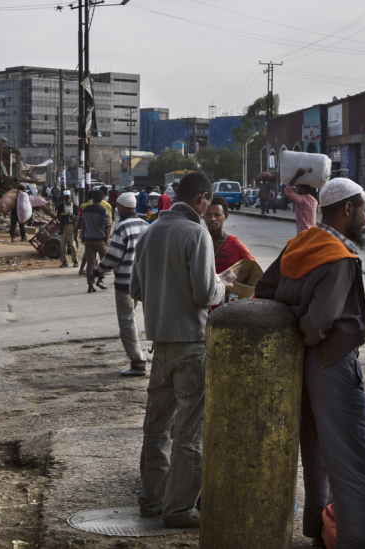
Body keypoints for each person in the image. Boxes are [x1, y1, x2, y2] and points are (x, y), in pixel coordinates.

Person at [255, 178, 365, 548]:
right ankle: (358, 542)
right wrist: (307, 333)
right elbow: (318, 322)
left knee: (317, 451)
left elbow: (264, 292)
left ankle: (318, 531)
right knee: (359, 461)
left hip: (302, 363)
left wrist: (296, 335)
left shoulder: (300, 243)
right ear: (347, 209)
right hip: (333, 362)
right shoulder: (339, 257)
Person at [130, 172, 228, 528]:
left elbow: (136, 289)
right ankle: (178, 510)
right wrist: (223, 284)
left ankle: (153, 501)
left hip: (161, 343)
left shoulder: (150, 231)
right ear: (203, 198)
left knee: (157, 426)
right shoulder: (196, 232)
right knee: (189, 431)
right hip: (192, 343)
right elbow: (205, 294)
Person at [91, 192, 149, 375]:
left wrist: (99, 270)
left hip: (125, 282)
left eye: (118, 207)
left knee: (127, 321)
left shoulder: (122, 227)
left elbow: (114, 256)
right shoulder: (146, 226)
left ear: (123, 208)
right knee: (138, 319)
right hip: (144, 281)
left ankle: (138, 362)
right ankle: (144, 356)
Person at [203, 195, 255, 273]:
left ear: (225, 216)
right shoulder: (198, 243)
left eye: (217, 215)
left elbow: (254, 271)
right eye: (208, 214)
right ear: (203, 216)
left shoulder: (236, 246)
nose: (212, 218)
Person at [80, 190, 112, 294]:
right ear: (102, 198)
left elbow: (83, 224)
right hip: (100, 239)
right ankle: (101, 279)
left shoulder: (86, 209)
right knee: (105, 261)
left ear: (93, 198)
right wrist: (106, 239)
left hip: (89, 240)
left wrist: (82, 237)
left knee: (91, 263)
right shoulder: (103, 210)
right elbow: (107, 226)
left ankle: (90, 285)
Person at [284, 169, 319, 234]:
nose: (296, 190)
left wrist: (297, 175)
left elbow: (288, 189)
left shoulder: (301, 200)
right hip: (312, 231)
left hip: (303, 232)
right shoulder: (314, 200)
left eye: (297, 188)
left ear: (302, 189)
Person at [57, 190, 80, 268]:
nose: (67, 198)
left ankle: (75, 261)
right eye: (66, 197)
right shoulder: (60, 206)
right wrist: (61, 216)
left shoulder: (74, 206)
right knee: (63, 244)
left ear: (70, 197)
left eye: (68, 197)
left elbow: (78, 217)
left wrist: (73, 216)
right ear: (64, 197)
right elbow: (57, 217)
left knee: (72, 244)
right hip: (63, 226)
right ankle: (64, 261)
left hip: (71, 226)